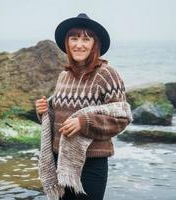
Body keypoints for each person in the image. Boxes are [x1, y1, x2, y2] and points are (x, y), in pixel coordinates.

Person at [35, 13, 132, 200]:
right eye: (74, 38)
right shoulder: (64, 76)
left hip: (91, 164)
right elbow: (60, 119)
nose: (79, 44)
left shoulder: (106, 74)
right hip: (60, 161)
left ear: (95, 44)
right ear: (67, 43)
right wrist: (45, 112)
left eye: (86, 39)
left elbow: (121, 117)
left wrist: (84, 122)